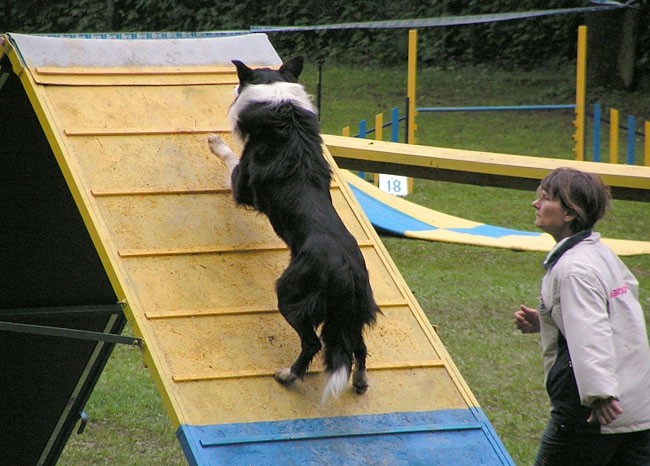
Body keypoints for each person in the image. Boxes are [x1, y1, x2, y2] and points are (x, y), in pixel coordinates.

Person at [513, 167, 650, 466]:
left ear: (569, 214)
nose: (536, 204)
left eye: (545, 198)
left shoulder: (572, 269)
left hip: (594, 414)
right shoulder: (602, 254)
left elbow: (591, 333)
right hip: (639, 411)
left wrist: (600, 394)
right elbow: (614, 315)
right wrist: (548, 320)